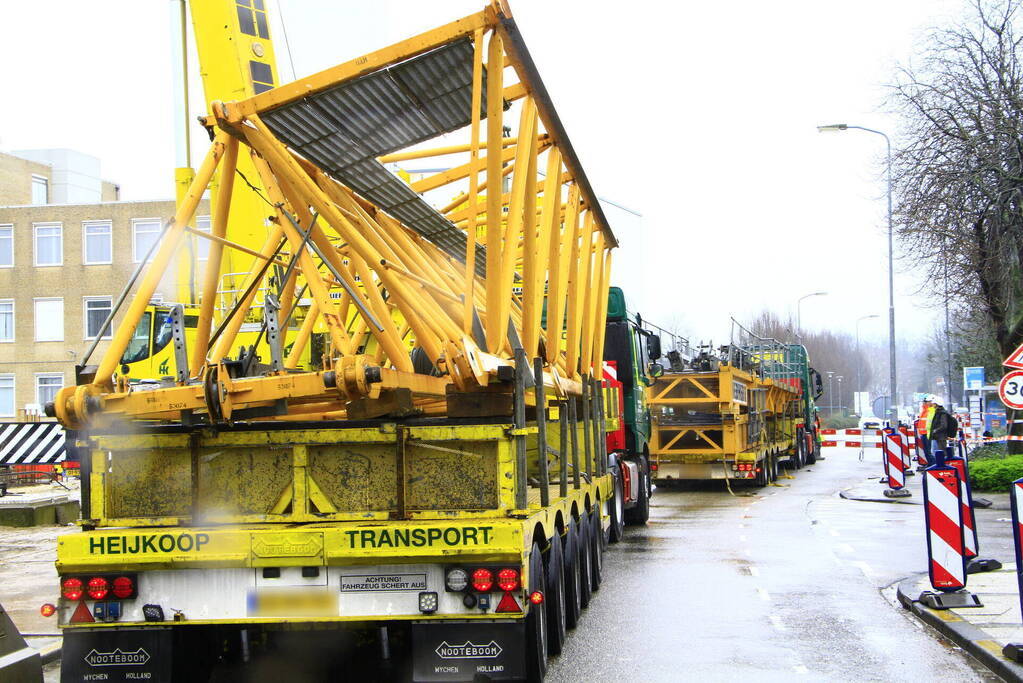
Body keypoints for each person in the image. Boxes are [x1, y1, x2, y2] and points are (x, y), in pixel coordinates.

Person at [927, 397, 958, 463]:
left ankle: (942, 465)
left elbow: (944, 426)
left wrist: (935, 430)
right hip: (937, 437)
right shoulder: (939, 412)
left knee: (941, 453)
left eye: (934, 403)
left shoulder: (942, 413)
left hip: (940, 437)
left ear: (937, 404)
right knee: (938, 453)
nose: (932, 405)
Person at [915, 395, 936, 466]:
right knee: (927, 451)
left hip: (928, 434)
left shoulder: (930, 411)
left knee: (928, 451)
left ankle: (933, 465)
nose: (923, 403)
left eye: (925, 402)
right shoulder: (924, 411)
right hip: (924, 433)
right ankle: (931, 464)